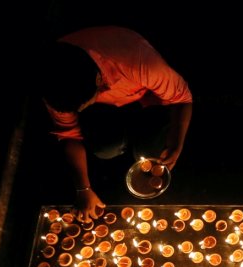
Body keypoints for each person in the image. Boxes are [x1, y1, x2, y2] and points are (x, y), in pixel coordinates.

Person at [40, 26, 193, 222]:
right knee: (105, 148)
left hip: (149, 99)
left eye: (82, 105)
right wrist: (83, 189)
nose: (76, 113)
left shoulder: (135, 61)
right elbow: (68, 134)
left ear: (97, 80)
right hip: (108, 109)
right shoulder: (54, 84)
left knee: (151, 153)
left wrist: (176, 145)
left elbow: (182, 98)